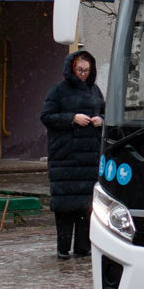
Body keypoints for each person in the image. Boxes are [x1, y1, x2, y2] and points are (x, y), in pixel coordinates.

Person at [40, 50, 105, 259]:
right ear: (71, 68)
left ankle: (83, 247)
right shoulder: (57, 90)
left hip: (89, 157)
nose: (83, 74)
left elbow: (105, 112)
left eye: (87, 70)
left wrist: (100, 120)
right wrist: (72, 118)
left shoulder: (95, 90)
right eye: (79, 70)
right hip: (65, 156)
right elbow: (47, 116)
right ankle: (63, 248)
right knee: (65, 205)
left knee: (87, 205)